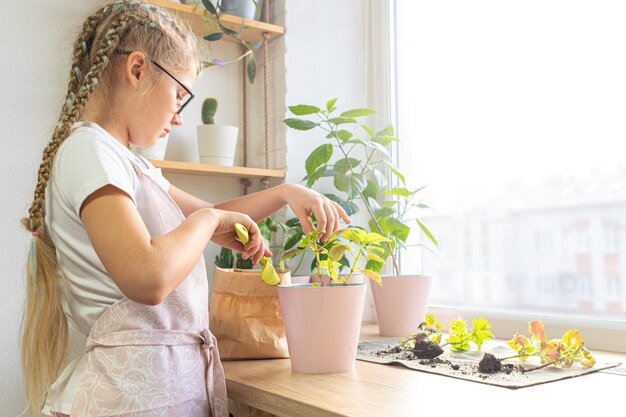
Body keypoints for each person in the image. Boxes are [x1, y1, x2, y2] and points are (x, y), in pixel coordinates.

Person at [20, 1, 350, 416]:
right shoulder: (89, 151)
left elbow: (209, 214)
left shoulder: (127, 163)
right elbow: (148, 276)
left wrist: (285, 193)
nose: (178, 118)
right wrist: (210, 220)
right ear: (137, 69)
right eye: (179, 95)